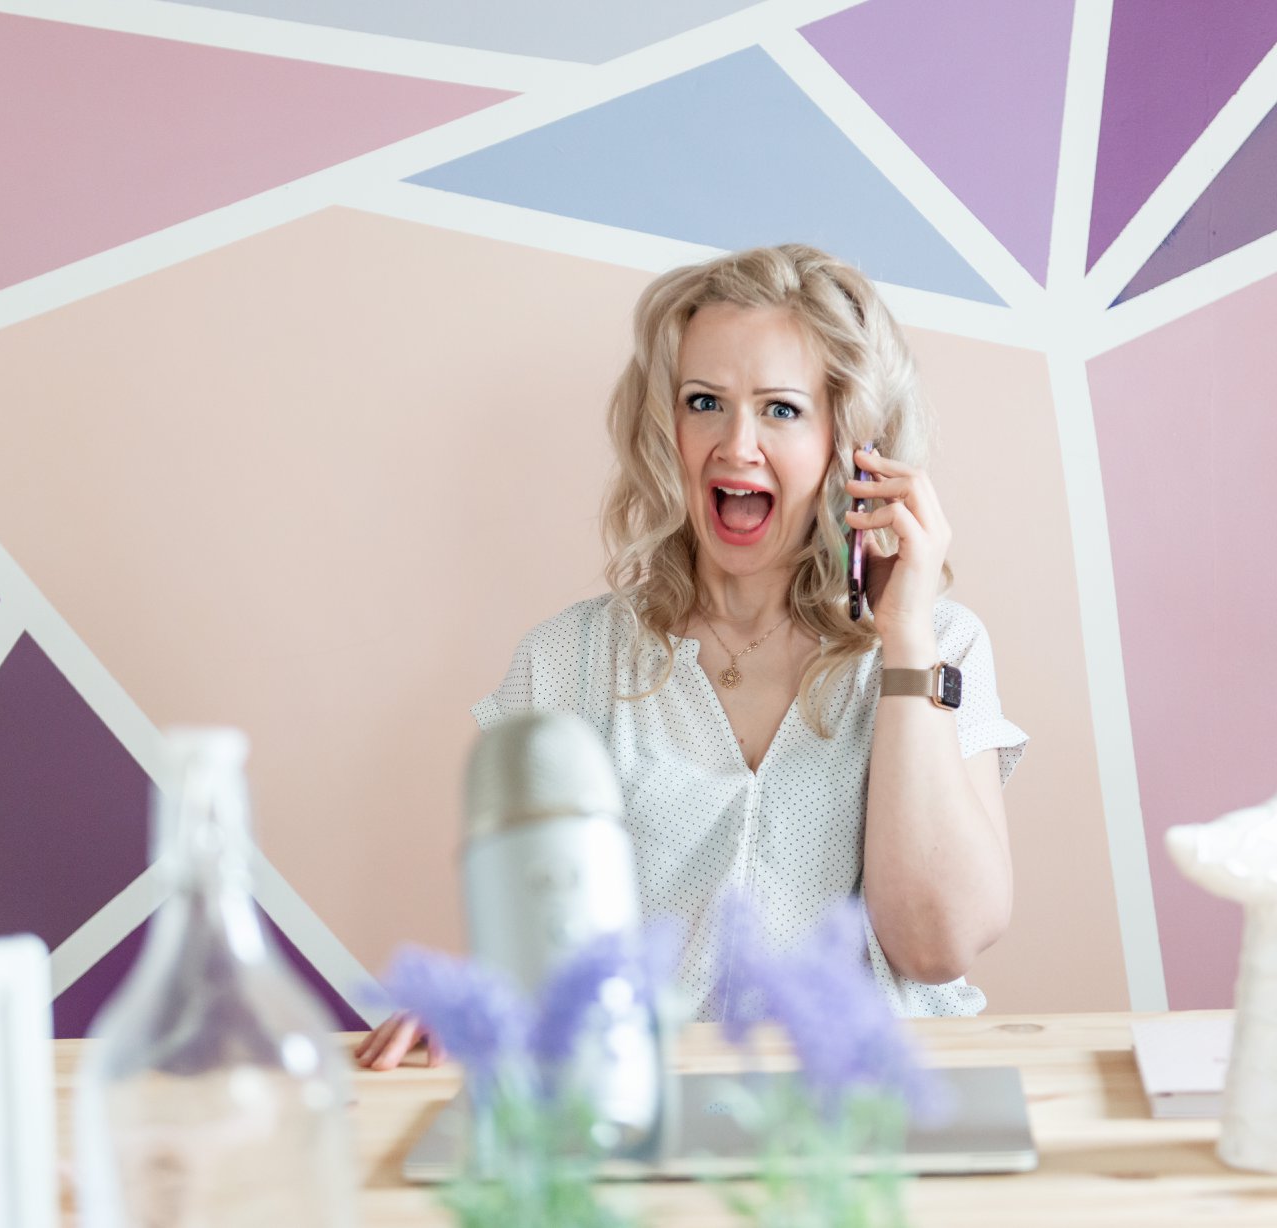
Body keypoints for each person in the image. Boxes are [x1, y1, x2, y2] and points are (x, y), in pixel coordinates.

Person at [356, 244, 1026, 1070]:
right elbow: (541, 962)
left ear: (854, 448)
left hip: (880, 1125)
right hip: (648, 1122)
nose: (736, 445)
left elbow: (938, 946)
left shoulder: (940, 643)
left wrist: (907, 641)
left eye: (781, 410)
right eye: (704, 401)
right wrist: (481, 1013)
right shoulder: (567, 664)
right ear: (663, 428)